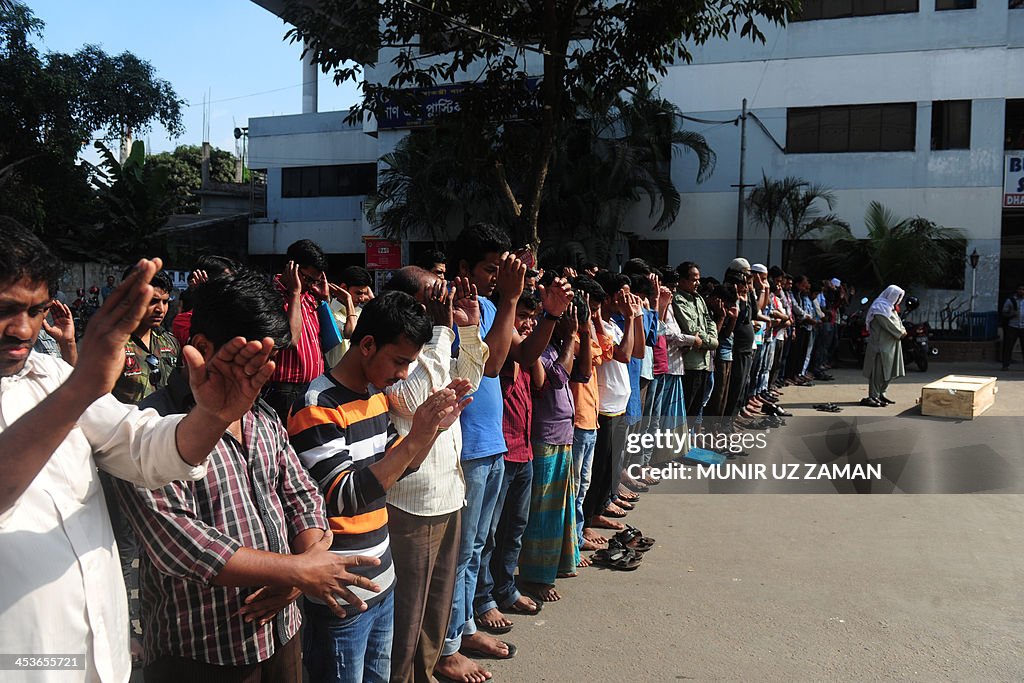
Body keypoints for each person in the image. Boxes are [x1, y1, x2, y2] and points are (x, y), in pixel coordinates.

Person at [0, 219, 278, 683]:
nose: (24, 329)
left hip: (97, 655)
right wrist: (85, 383)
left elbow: (138, 446)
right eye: (8, 308)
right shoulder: (71, 382)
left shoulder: (50, 374)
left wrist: (212, 417)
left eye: (37, 310)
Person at [112, 269, 382, 681]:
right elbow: (180, 542)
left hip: (282, 631)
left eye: (272, 358)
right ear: (202, 347)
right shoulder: (149, 428)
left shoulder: (261, 413)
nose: (266, 371)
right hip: (202, 647)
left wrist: (302, 567)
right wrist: (295, 572)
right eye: (252, 358)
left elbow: (301, 493)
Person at [289, 291, 471, 683]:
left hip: (382, 583)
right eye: (400, 361)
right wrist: (415, 436)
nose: (404, 374)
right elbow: (345, 495)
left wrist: (432, 430)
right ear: (367, 344)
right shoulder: (316, 404)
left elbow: (400, 468)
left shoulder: (375, 397)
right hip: (342, 594)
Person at [380, 268, 489, 683]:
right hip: (413, 501)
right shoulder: (398, 353)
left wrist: (472, 327)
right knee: (408, 617)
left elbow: (471, 382)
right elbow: (416, 399)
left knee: (436, 611)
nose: (444, 301)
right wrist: (442, 330)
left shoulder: (438, 344)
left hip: (449, 492)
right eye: (434, 295)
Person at [265, 239, 330, 425]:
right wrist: (294, 293)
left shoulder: (310, 296)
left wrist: (324, 299)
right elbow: (291, 340)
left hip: (313, 387)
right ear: (291, 267)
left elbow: (333, 338)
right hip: (286, 391)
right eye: (308, 278)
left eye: (315, 280)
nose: (310, 284)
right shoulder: (271, 296)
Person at [861, 285, 907, 407]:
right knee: (878, 371)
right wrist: (900, 332)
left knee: (889, 371)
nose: (898, 300)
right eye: (897, 297)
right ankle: (873, 396)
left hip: (892, 344)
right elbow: (888, 325)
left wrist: (902, 329)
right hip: (881, 345)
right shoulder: (879, 307)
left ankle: (882, 393)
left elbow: (898, 322)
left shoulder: (890, 308)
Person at [1001, 284, 1024, 370]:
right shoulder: (1010, 300)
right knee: (1008, 346)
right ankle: (1005, 365)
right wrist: (1011, 314)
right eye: (1020, 289)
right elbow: (1004, 313)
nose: (1021, 291)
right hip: (1012, 326)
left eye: (1023, 290)